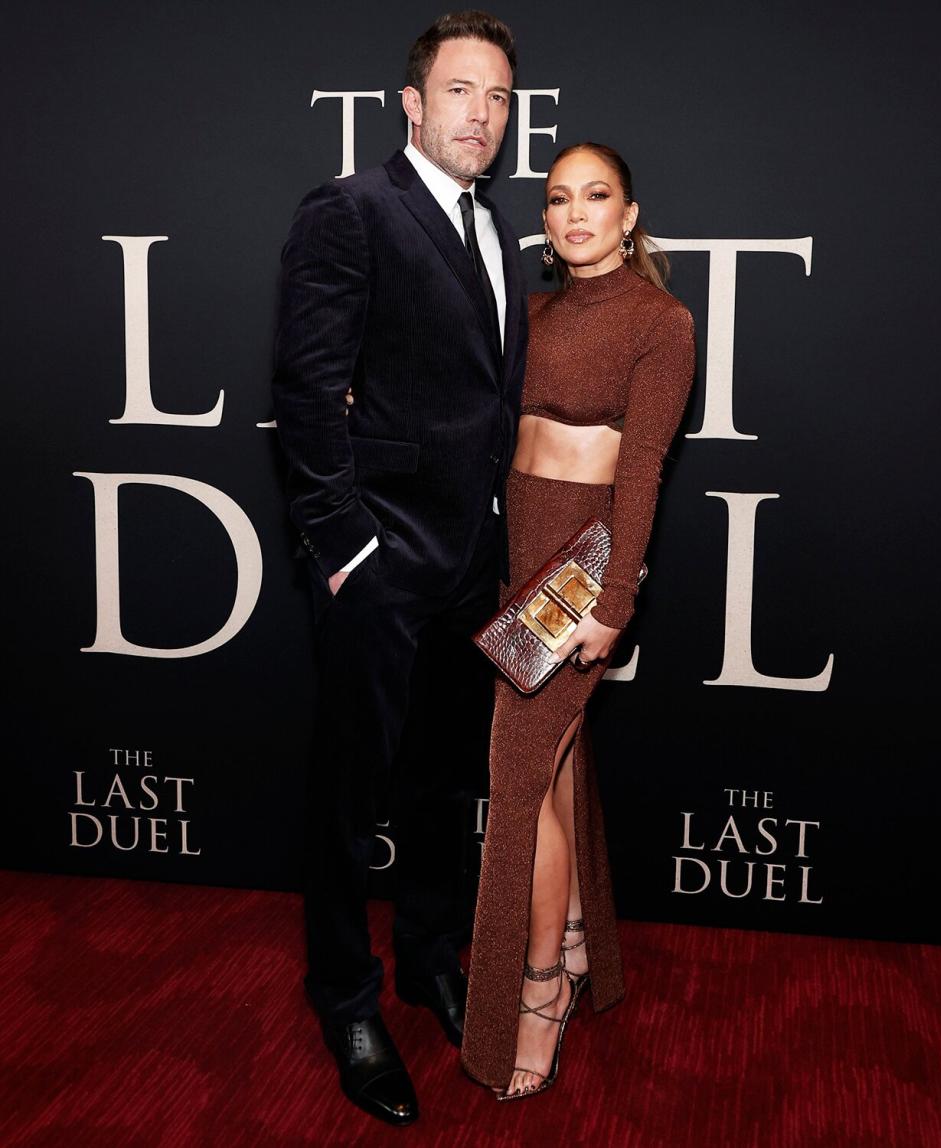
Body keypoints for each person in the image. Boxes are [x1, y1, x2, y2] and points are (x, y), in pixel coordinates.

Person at [271, 11, 527, 1128]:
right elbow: (302, 395)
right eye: (463, 91)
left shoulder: (495, 224)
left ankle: (426, 949)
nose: (485, 113)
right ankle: (344, 993)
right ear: (413, 105)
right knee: (348, 790)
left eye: (502, 97)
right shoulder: (353, 210)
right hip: (380, 563)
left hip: (473, 559)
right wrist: (346, 554)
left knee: (441, 782)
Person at [461, 142, 696, 1099]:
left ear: (629, 216)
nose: (574, 213)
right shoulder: (531, 312)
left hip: (581, 567)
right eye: (558, 199)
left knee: (518, 778)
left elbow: (641, 474)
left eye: (596, 196)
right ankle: (575, 939)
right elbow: (465, 406)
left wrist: (614, 601)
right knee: (554, 769)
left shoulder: (662, 321)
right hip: (516, 552)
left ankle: (540, 989)